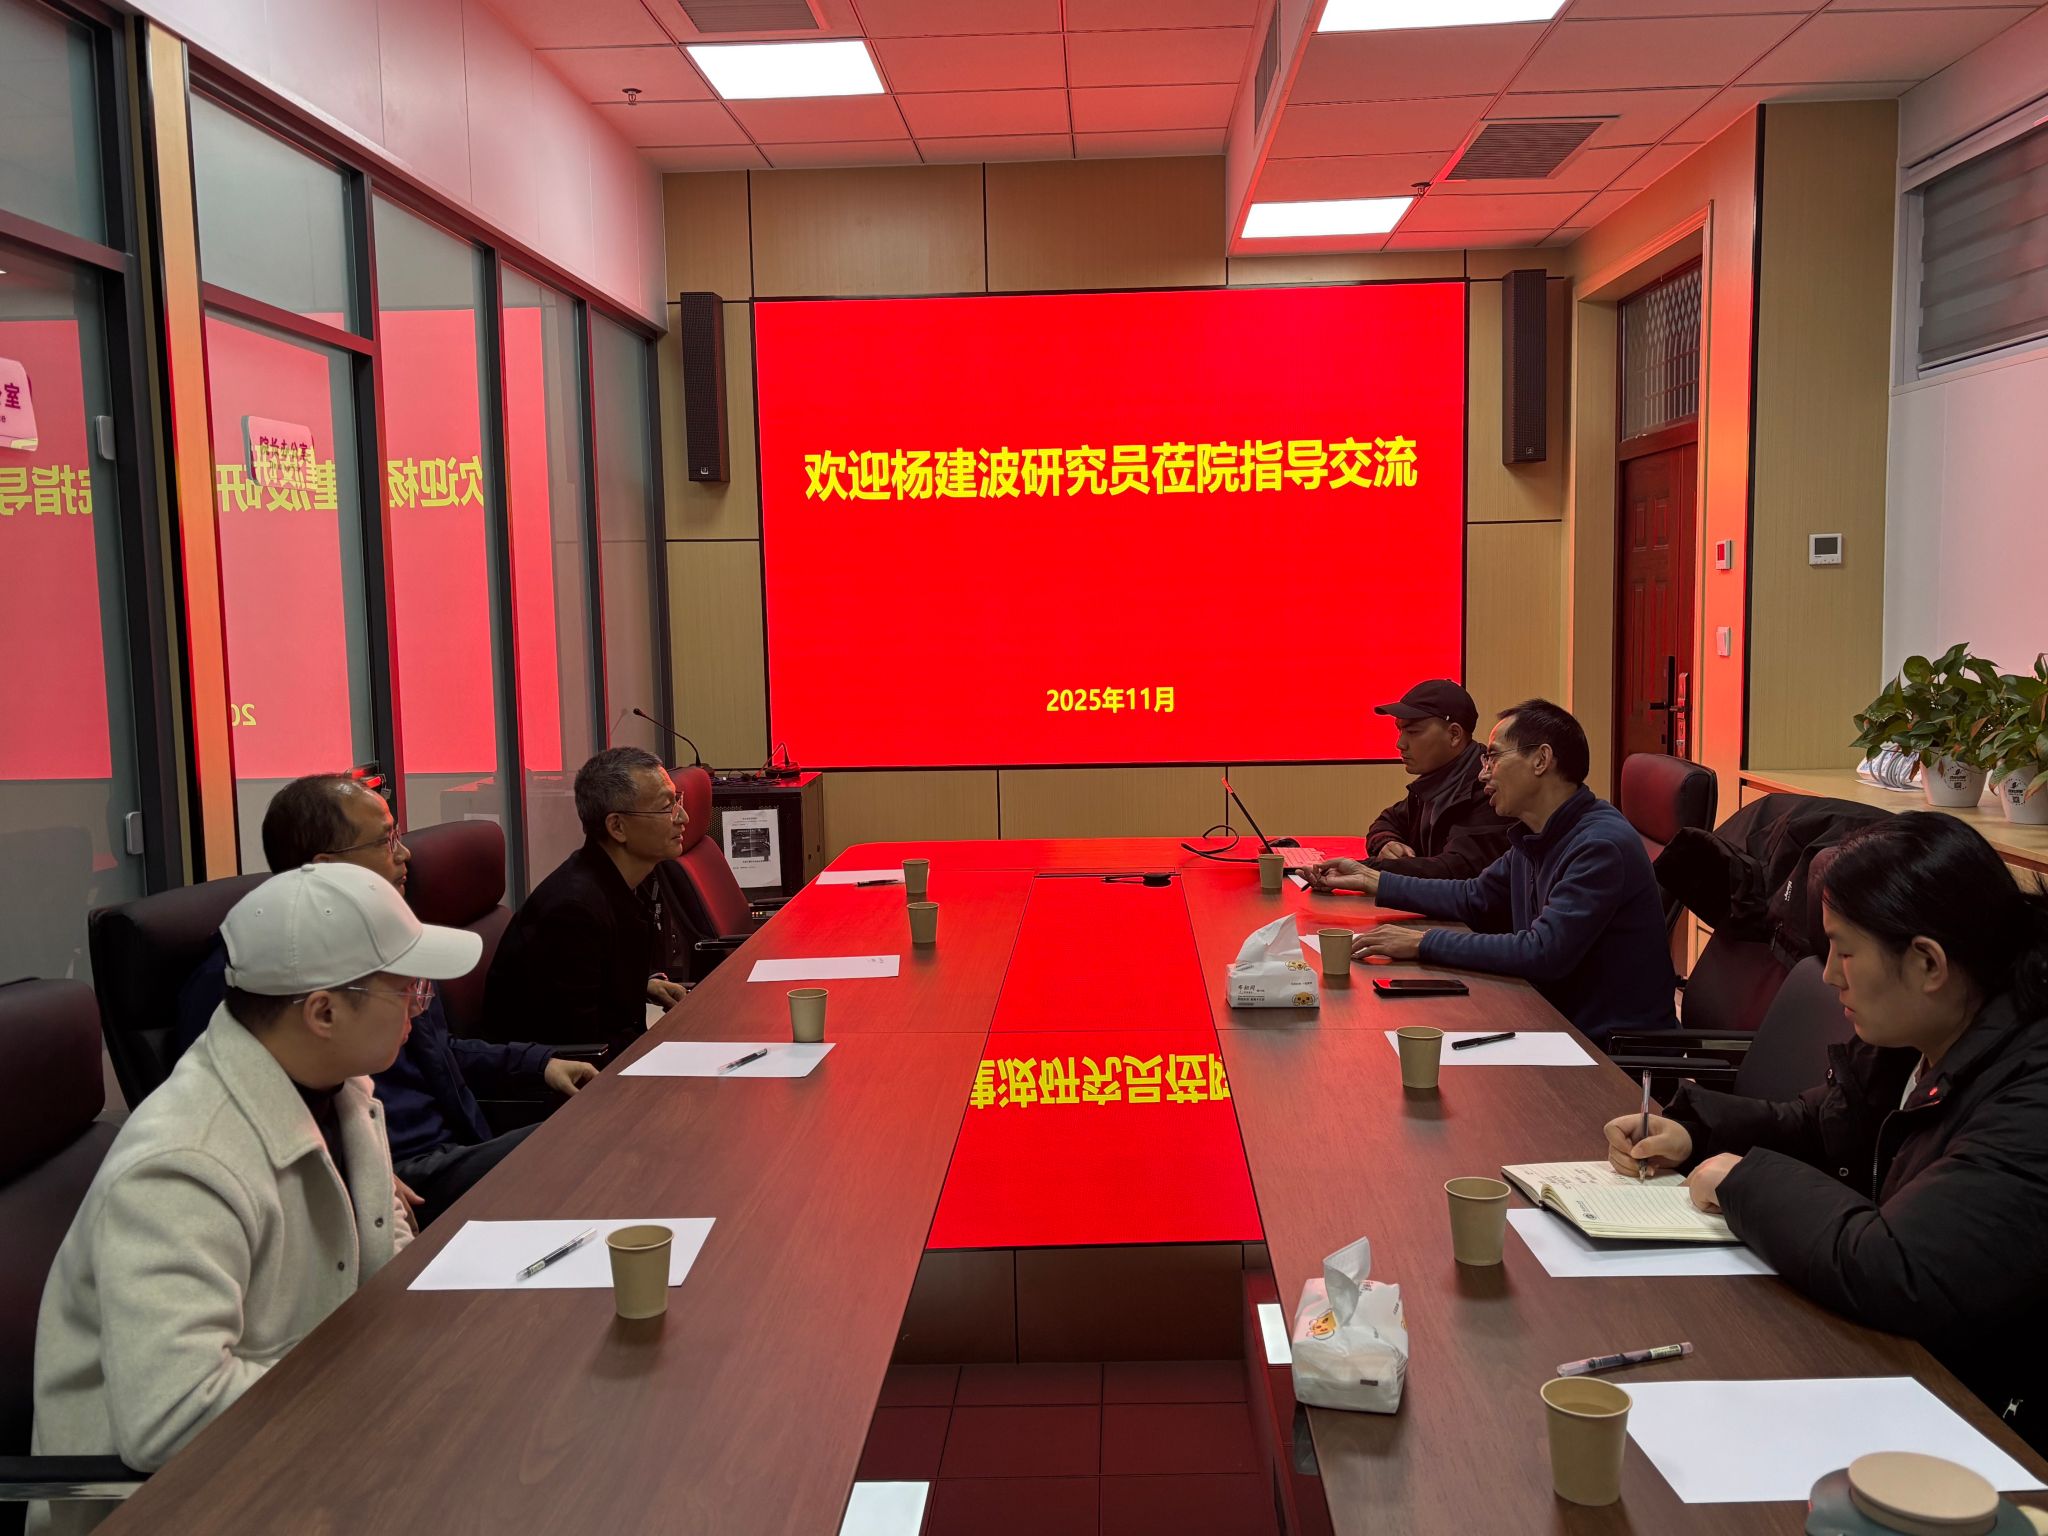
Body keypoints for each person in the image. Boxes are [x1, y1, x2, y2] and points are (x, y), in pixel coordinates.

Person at [29, 865, 478, 1534]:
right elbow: (173, 1418)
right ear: (323, 1012)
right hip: (178, 1501)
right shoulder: (183, 1165)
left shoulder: (340, 1087)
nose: (422, 1004)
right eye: (406, 987)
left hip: (302, 1449)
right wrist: (376, 1388)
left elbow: (383, 1267)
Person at [1604, 812, 2048, 1452]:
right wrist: (1696, 1133)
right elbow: (1827, 1122)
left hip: (1990, 1429)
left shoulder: (2030, 1091)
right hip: (1901, 1371)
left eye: (1845, 950)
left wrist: (1744, 1181)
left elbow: (1896, 1266)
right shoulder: (1927, 1031)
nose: (1829, 973)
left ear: (1927, 962)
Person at [173, 774, 596, 1225]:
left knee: (593, 1136)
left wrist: (536, 1063)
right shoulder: (252, 976)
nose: (404, 853)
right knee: (582, 1143)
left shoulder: (392, 938)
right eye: (385, 840)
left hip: (441, 1152)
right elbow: (247, 1113)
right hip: (393, 1181)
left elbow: (438, 1051)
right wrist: (347, 1172)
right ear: (328, 866)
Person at [1308, 698, 1677, 1044]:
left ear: (1541, 760)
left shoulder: (1598, 846)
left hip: (1605, 1051)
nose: (1482, 774)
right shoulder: (1539, 834)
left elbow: (1543, 952)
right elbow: (1475, 896)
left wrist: (1421, 942)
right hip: (1549, 1019)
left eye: (1493, 757)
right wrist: (1374, 880)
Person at [480, 747, 688, 1058]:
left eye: (678, 801)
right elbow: (580, 1046)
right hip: (569, 1081)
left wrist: (641, 983)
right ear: (617, 827)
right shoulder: (572, 912)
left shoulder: (626, 879)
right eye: (666, 807)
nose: (683, 817)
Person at [1364, 679, 1513, 879]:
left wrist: (1367, 869)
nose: (1400, 744)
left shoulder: (1490, 789)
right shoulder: (1436, 781)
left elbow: (1454, 870)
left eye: (1413, 732)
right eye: (1400, 730)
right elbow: (1387, 821)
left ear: (1454, 735)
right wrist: (1387, 842)